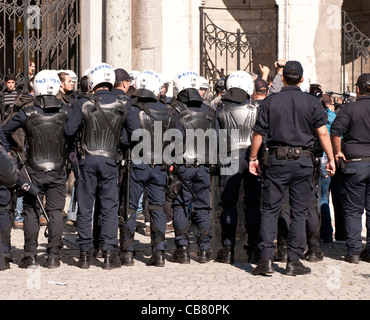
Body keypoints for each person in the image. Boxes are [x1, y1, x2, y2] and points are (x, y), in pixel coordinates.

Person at [249, 60, 336, 276]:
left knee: (270, 209)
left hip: (277, 161)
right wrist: (331, 158)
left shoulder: (270, 101)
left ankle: (266, 259)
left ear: (284, 78)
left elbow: (258, 133)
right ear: (302, 79)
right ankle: (293, 260)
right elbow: (323, 133)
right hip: (303, 162)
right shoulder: (311, 102)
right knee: (299, 211)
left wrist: (253, 158)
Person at [64, 63, 139, 270]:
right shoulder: (124, 103)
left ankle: (85, 254)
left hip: (87, 158)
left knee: (85, 207)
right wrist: (120, 142)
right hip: (110, 160)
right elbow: (136, 133)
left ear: (93, 82)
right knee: (109, 207)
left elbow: (69, 131)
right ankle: (108, 253)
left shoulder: (83, 102)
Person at [3, 70, 70, 269]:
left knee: (31, 211)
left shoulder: (27, 113)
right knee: (56, 211)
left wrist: (12, 147)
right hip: (58, 167)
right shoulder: (67, 111)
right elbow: (75, 133)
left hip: (33, 168)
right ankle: (54, 256)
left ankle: (30, 255)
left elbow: (3, 130)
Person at [119, 70, 177, 267]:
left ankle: (127, 253)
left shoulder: (132, 109)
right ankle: (159, 253)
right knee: (158, 209)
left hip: (137, 164)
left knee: (130, 207)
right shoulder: (169, 111)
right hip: (159, 165)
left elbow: (125, 140)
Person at [170, 70, 217, 264]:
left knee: (181, 204)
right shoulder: (210, 112)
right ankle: (204, 249)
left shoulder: (176, 112)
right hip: (204, 165)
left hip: (183, 165)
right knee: (203, 206)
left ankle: (182, 249)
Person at [215, 71, 261, 264]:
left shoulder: (220, 109)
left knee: (228, 203)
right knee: (253, 203)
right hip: (252, 157)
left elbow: (215, 138)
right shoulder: (257, 108)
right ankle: (253, 247)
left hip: (229, 156)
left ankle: (227, 248)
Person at [330, 73, 370, 264]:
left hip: (355, 161)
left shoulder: (349, 108)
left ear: (357, 89)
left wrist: (337, 152)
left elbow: (336, 132)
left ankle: (354, 251)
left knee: (354, 210)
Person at [319, 94, 337, 243]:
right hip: (327, 157)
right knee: (323, 197)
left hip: (316, 156)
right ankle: (326, 233)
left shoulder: (313, 115)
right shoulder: (333, 116)